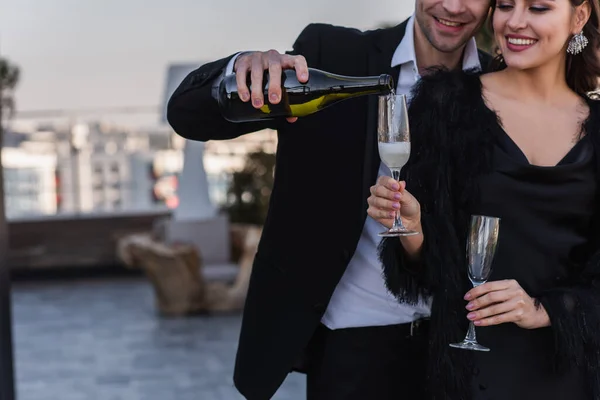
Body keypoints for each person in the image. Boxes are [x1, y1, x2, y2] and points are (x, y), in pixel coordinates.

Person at [167, 1, 492, 399]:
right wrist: (238, 70)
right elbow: (186, 116)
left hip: (463, 351)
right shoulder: (332, 54)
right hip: (352, 349)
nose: (454, 6)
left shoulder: (502, 83)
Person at [368, 0, 600, 399]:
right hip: (470, 372)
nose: (515, 21)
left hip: (574, 373)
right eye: (506, 5)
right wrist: (411, 227)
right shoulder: (445, 105)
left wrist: (543, 310)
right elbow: (427, 274)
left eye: (539, 7)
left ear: (578, 17)